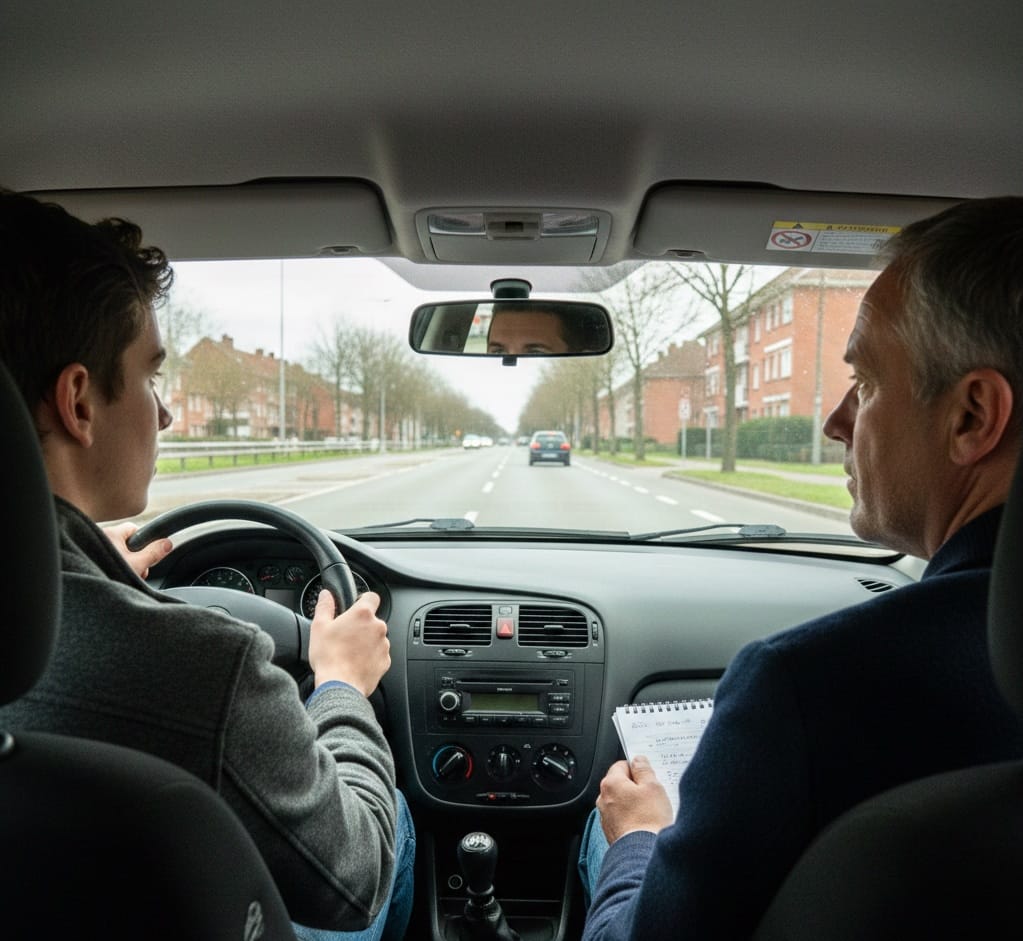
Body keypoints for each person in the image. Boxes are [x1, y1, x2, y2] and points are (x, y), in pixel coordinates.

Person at [578, 196, 1023, 940]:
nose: (835, 422)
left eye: (867, 382)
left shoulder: (803, 687)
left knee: (619, 830)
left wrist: (634, 845)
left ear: (972, 415)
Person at [0, 189, 414, 941]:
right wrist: (343, 686)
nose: (162, 414)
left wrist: (88, 568)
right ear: (78, 402)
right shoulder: (198, 666)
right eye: (151, 374)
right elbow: (352, 880)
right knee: (390, 814)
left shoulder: (30, 613)